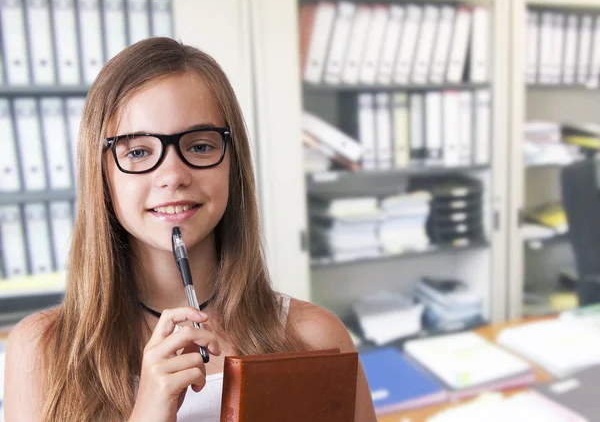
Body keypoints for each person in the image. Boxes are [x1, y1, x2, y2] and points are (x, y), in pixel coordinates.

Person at [5, 37, 378, 422]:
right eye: (138, 152)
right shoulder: (41, 352)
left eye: (199, 146)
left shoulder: (315, 339)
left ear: (233, 163)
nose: (173, 176)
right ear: (101, 173)